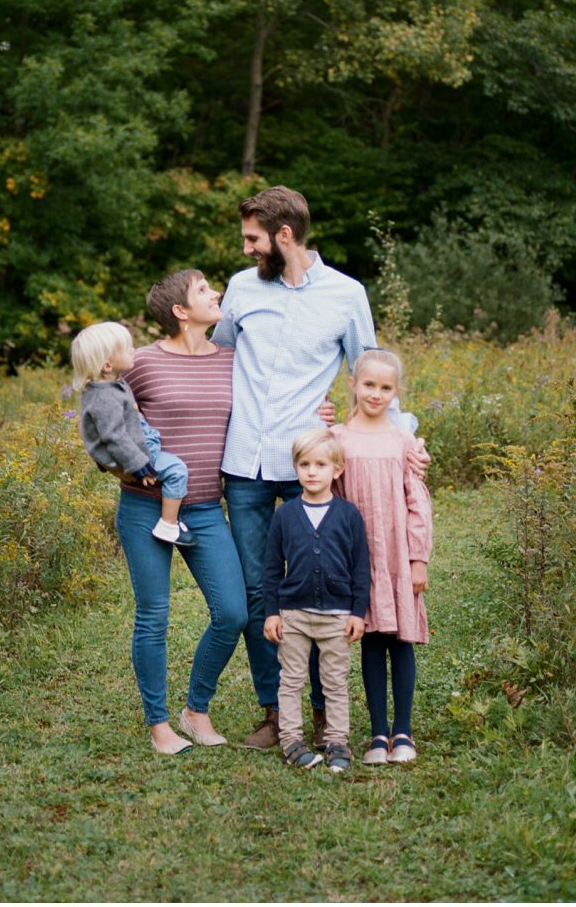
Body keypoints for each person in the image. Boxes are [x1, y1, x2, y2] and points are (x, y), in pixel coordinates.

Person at [211, 184, 429, 749]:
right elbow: (216, 362)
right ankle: (275, 714)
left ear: (284, 236)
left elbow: (371, 371)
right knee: (264, 593)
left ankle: (323, 708)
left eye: (253, 239)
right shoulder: (239, 290)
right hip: (244, 465)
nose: (245, 249)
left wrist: (403, 438)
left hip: (312, 460)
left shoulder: (346, 294)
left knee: (320, 585)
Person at [115, 270, 248, 755]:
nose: (216, 294)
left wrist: (318, 415)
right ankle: (159, 726)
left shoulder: (232, 362)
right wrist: (121, 467)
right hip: (144, 509)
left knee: (233, 612)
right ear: (180, 310)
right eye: (203, 290)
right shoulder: (142, 363)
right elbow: (103, 416)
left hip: (207, 509)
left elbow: (266, 407)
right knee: (154, 616)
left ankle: (197, 708)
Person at [332, 348, 433, 765]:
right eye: (369, 385)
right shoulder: (338, 438)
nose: (376, 394)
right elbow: (331, 500)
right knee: (371, 639)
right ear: (353, 385)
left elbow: (417, 501)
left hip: (396, 552)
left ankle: (403, 731)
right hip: (359, 557)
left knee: (400, 639)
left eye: (386, 387)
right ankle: (377, 734)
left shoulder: (403, 441)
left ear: (396, 392)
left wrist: (418, 559)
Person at [262, 429, 369, 772]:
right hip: (294, 614)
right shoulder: (285, 515)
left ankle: (337, 740)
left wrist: (357, 611)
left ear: (336, 470)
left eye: (320, 464)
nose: (311, 471)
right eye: (304, 464)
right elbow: (271, 568)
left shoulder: (349, 515)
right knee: (291, 679)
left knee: (335, 680)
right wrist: (271, 613)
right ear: (296, 468)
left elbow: (361, 567)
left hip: (337, 615)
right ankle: (291, 739)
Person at [71, 321, 196, 548]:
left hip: (138, 446)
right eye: (126, 348)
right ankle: (169, 524)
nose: (133, 350)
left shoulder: (111, 385)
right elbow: (113, 437)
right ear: (107, 365)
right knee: (177, 471)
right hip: (136, 454)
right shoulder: (104, 397)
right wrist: (139, 465)